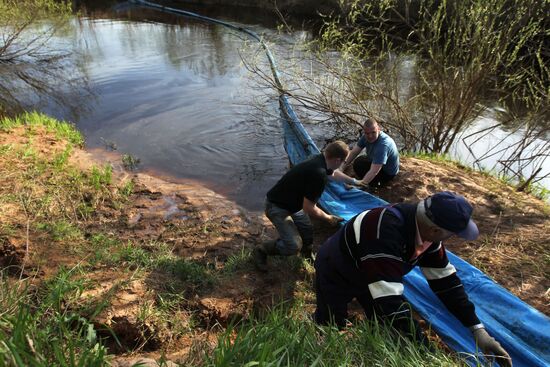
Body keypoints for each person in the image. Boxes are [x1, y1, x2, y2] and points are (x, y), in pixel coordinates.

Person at [313, 191, 512, 367]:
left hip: (374, 272)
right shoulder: (383, 230)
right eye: (452, 234)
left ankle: (372, 347)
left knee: (382, 320)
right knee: (331, 318)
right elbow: (390, 302)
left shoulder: (429, 238)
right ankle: (321, 349)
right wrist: (426, 351)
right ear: (436, 230)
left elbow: (447, 284)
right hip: (337, 269)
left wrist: (477, 329)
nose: (450, 239)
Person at [253, 140, 359, 271]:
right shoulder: (318, 174)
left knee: (307, 232)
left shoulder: (320, 159)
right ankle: (262, 250)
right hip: (276, 206)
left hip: (293, 204)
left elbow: (334, 174)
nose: (343, 164)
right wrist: (328, 218)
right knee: (293, 245)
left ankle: (306, 254)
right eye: (344, 162)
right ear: (337, 160)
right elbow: (309, 208)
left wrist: (354, 181)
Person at [340, 117, 399, 187]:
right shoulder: (365, 137)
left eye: (373, 132)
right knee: (358, 162)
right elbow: (354, 152)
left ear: (379, 129)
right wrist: (341, 168)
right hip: (377, 162)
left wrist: (358, 185)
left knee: (361, 168)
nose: (370, 136)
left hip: (387, 173)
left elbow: (374, 171)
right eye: (367, 133)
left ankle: (370, 184)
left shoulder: (383, 145)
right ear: (364, 132)